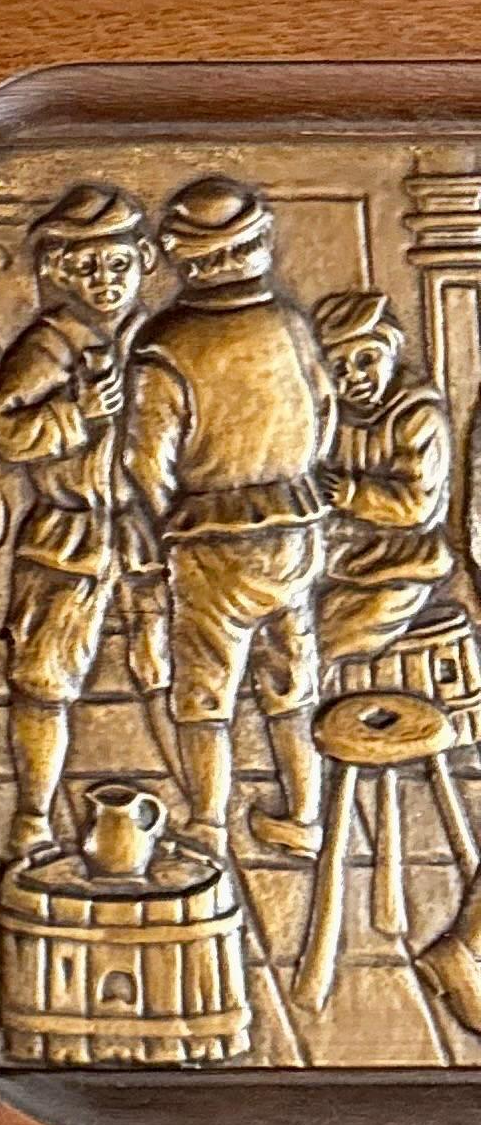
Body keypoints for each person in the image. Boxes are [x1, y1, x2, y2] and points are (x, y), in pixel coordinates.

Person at [123, 177, 335, 859]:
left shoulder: (166, 342)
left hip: (211, 542)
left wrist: (162, 526)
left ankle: (209, 825)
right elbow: (324, 411)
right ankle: (304, 815)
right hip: (295, 531)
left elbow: (144, 462)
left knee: (205, 689)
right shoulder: (290, 324)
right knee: (290, 676)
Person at [0, 183, 162, 860]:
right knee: (45, 678)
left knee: (168, 669)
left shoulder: (159, 338)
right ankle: (33, 815)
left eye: (117, 265)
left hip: (147, 531)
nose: (104, 281)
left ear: (144, 258)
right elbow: (9, 434)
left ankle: (199, 815)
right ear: (59, 271)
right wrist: (75, 416)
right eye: (86, 267)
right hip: (69, 530)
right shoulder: (50, 345)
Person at [310, 288, 454, 667]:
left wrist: (354, 495)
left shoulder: (416, 418)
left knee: (325, 645)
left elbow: (419, 506)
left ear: (391, 353)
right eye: (339, 368)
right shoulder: (331, 419)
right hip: (343, 562)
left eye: (366, 359)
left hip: (400, 568)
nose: (354, 376)